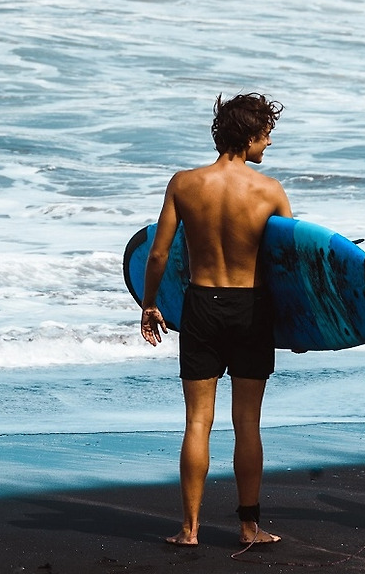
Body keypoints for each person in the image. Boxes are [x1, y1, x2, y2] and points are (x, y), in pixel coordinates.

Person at [140, 92, 292, 547]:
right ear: (248, 137)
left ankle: (189, 529)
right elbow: (287, 265)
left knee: (197, 422)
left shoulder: (184, 183)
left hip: (201, 304)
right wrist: (298, 325)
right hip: (251, 307)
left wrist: (150, 304)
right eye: (265, 136)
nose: (267, 145)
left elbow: (160, 252)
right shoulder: (269, 190)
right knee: (247, 423)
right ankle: (249, 527)